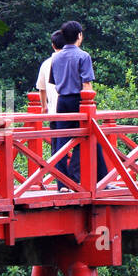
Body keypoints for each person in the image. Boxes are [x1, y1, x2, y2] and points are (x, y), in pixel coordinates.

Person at [49, 20, 105, 187]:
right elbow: (86, 84)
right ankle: (97, 179)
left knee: (61, 142)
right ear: (79, 35)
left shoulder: (56, 57)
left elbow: (54, 81)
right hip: (80, 101)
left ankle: (62, 184)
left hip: (62, 101)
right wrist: (92, 104)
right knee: (90, 137)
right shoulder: (83, 56)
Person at [35, 29, 63, 116]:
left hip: (53, 112)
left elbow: (41, 88)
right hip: (72, 111)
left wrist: (44, 107)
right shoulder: (72, 61)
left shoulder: (46, 63)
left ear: (53, 45)